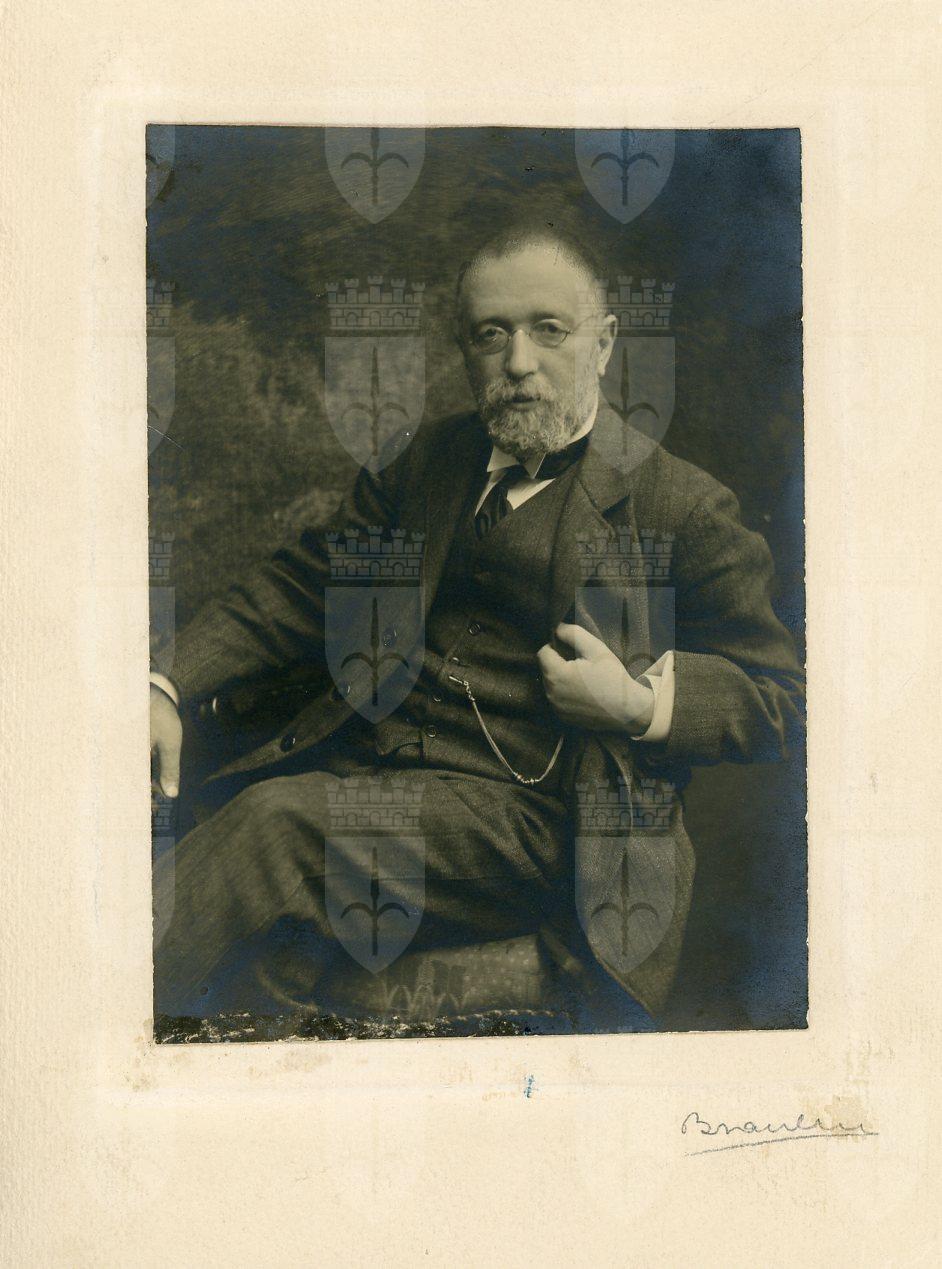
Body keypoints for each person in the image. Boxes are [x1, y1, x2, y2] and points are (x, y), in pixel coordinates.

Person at [150, 225, 804, 1023]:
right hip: (360, 767)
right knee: (185, 820)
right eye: (491, 334)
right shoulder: (426, 461)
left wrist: (638, 705)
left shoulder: (681, 505)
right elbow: (306, 582)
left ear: (604, 343)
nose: (518, 361)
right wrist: (167, 684)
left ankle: (88, 1027)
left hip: (537, 824)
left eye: (548, 330)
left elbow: (780, 698)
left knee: (272, 829)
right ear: (464, 349)